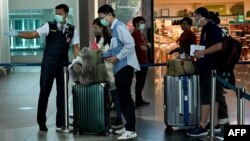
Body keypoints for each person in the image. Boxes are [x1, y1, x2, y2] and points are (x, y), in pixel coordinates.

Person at [4, 4, 80, 131]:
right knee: (44, 92)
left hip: (63, 66)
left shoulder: (72, 29)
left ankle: (61, 122)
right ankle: (41, 122)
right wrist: (18, 34)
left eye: (60, 13)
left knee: (62, 94)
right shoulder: (48, 26)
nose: (57, 15)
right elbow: (34, 34)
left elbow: (75, 46)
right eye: (56, 13)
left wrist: (77, 60)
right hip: (48, 65)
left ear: (66, 14)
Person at [98, 4, 140, 140]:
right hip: (120, 67)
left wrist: (117, 57)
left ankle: (131, 129)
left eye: (102, 17)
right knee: (123, 98)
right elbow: (116, 48)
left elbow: (130, 44)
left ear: (109, 14)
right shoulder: (114, 29)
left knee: (126, 98)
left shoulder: (120, 27)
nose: (102, 20)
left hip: (125, 66)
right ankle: (128, 127)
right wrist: (103, 53)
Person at [187, 7, 224, 137]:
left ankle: (202, 125)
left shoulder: (212, 28)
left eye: (196, 16)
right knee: (213, 96)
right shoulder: (205, 29)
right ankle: (214, 123)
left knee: (206, 96)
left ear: (202, 16)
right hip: (208, 68)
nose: (195, 19)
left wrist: (201, 52)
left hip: (211, 69)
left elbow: (218, 46)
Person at [92, 17, 124, 129]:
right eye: (93, 28)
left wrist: (102, 53)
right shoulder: (98, 39)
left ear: (102, 27)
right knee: (107, 97)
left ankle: (120, 118)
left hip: (111, 72)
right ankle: (105, 118)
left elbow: (112, 53)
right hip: (103, 72)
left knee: (116, 97)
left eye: (96, 28)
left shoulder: (110, 39)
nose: (94, 30)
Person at [208, 11, 230, 126]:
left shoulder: (216, 31)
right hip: (220, 64)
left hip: (218, 65)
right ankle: (218, 117)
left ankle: (223, 116)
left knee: (217, 91)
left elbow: (217, 48)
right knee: (216, 91)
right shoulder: (220, 30)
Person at [131, 16, 151, 108]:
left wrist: (146, 45)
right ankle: (137, 101)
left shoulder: (141, 34)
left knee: (142, 81)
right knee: (139, 81)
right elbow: (144, 47)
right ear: (136, 24)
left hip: (144, 61)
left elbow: (149, 44)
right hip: (139, 62)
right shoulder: (135, 34)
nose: (143, 24)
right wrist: (146, 45)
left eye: (143, 22)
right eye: (141, 22)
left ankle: (140, 99)